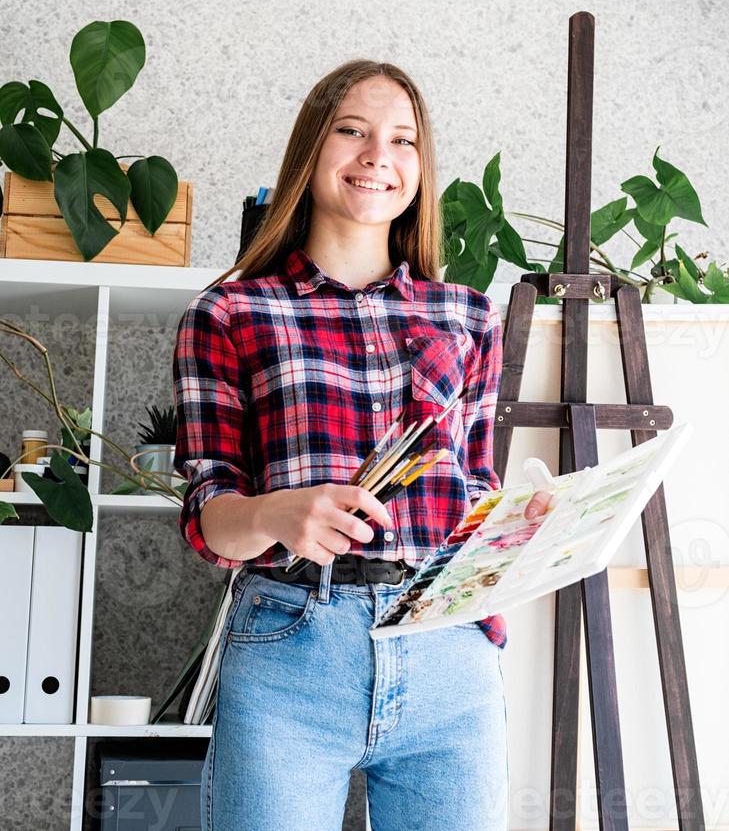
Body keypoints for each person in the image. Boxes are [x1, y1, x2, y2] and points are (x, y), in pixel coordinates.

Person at [172, 59, 551, 830]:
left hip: (447, 648)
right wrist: (279, 514)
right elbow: (207, 514)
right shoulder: (230, 312)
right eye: (352, 130)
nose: (379, 155)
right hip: (290, 645)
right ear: (311, 149)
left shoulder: (467, 315)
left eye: (402, 139)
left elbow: (474, 491)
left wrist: (524, 537)